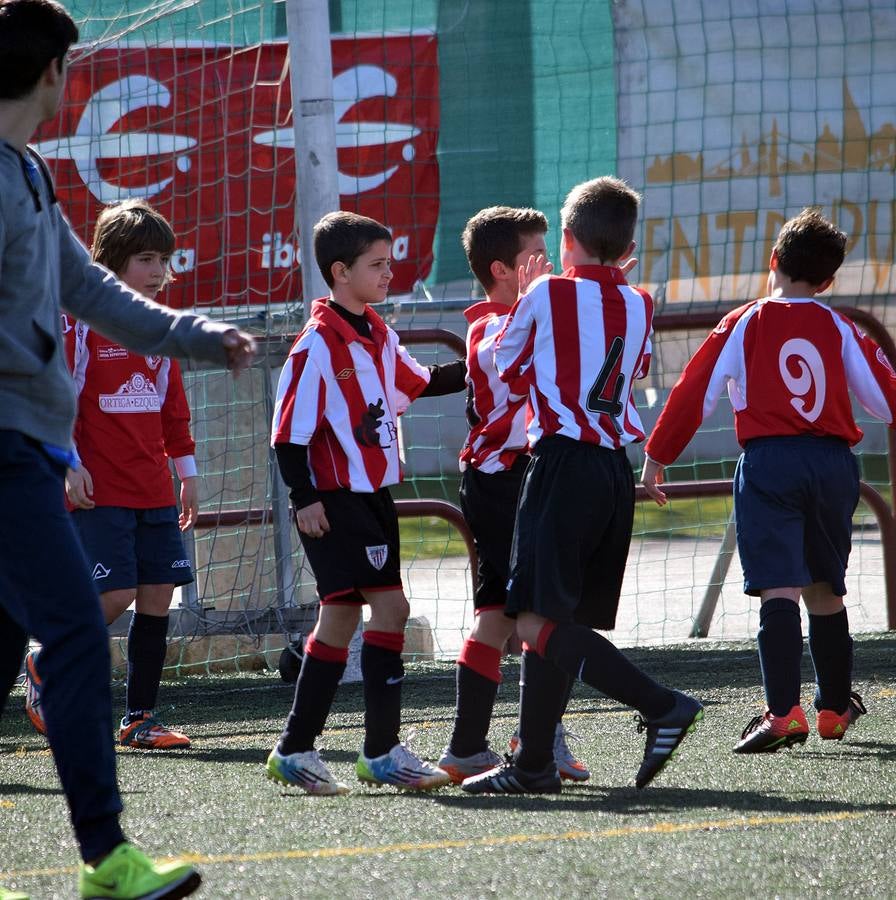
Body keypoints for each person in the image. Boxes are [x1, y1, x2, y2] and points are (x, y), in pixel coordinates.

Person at [0, 0, 255, 896]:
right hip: (7, 449)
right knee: (76, 632)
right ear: (52, 73)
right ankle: (108, 858)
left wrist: (195, 335)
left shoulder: (30, 173)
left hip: (27, 446)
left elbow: (90, 289)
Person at [462, 176, 703, 795]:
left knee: (532, 624)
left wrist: (526, 297)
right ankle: (534, 765)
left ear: (566, 239)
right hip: (612, 471)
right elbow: (636, 369)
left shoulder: (545, 292)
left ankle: (662, 705)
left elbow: (506, 366)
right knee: (554, 618)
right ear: (627, 248)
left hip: (561, 465)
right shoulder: (640, 301)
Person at [641, 208, 893, 752]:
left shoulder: (744, 321)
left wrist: (658, 454)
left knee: (779, 586)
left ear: (773, 259)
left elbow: (694, 389)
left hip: (769, 463)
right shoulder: (839, 326)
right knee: (826, 588)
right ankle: (833, 709)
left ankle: (782, 713)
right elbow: (884, 396)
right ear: (828, 282)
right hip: (832, 464)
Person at [266, 210, 466, 795]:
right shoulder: (316, 346)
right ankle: (376, 750)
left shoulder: (377, 333)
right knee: (387, 609)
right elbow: (287, 435)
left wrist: (488, 361)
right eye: (376, 264)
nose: (388, 273)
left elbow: (422, 381)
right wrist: (304, 499)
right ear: (340, 272)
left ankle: (300, 748)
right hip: (335, 501)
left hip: (373, 497)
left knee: (345, 616)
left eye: (388, 262)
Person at [24, 200, 201, 751]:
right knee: (116, 592)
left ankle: (139, 719)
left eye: (164, 260)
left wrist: (187, 472)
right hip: (99, 489)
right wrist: (68, 464)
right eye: (145, 259)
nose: (158, 272)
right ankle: (45, 659)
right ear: (111, 261)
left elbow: (172, 408)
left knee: (158, 594)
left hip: (153, 487)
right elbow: (57, 400)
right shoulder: (78, 325)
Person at [436, 206, 591, 784]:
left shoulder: (534, 314)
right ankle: (535, 740)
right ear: (502, 270)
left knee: (506, 616)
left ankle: (479, 746)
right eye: (537, 258)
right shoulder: (491, 328)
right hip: (502, 482)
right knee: (535, 613)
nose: (551, 266)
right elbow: (519, 364)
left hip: (527, 480)